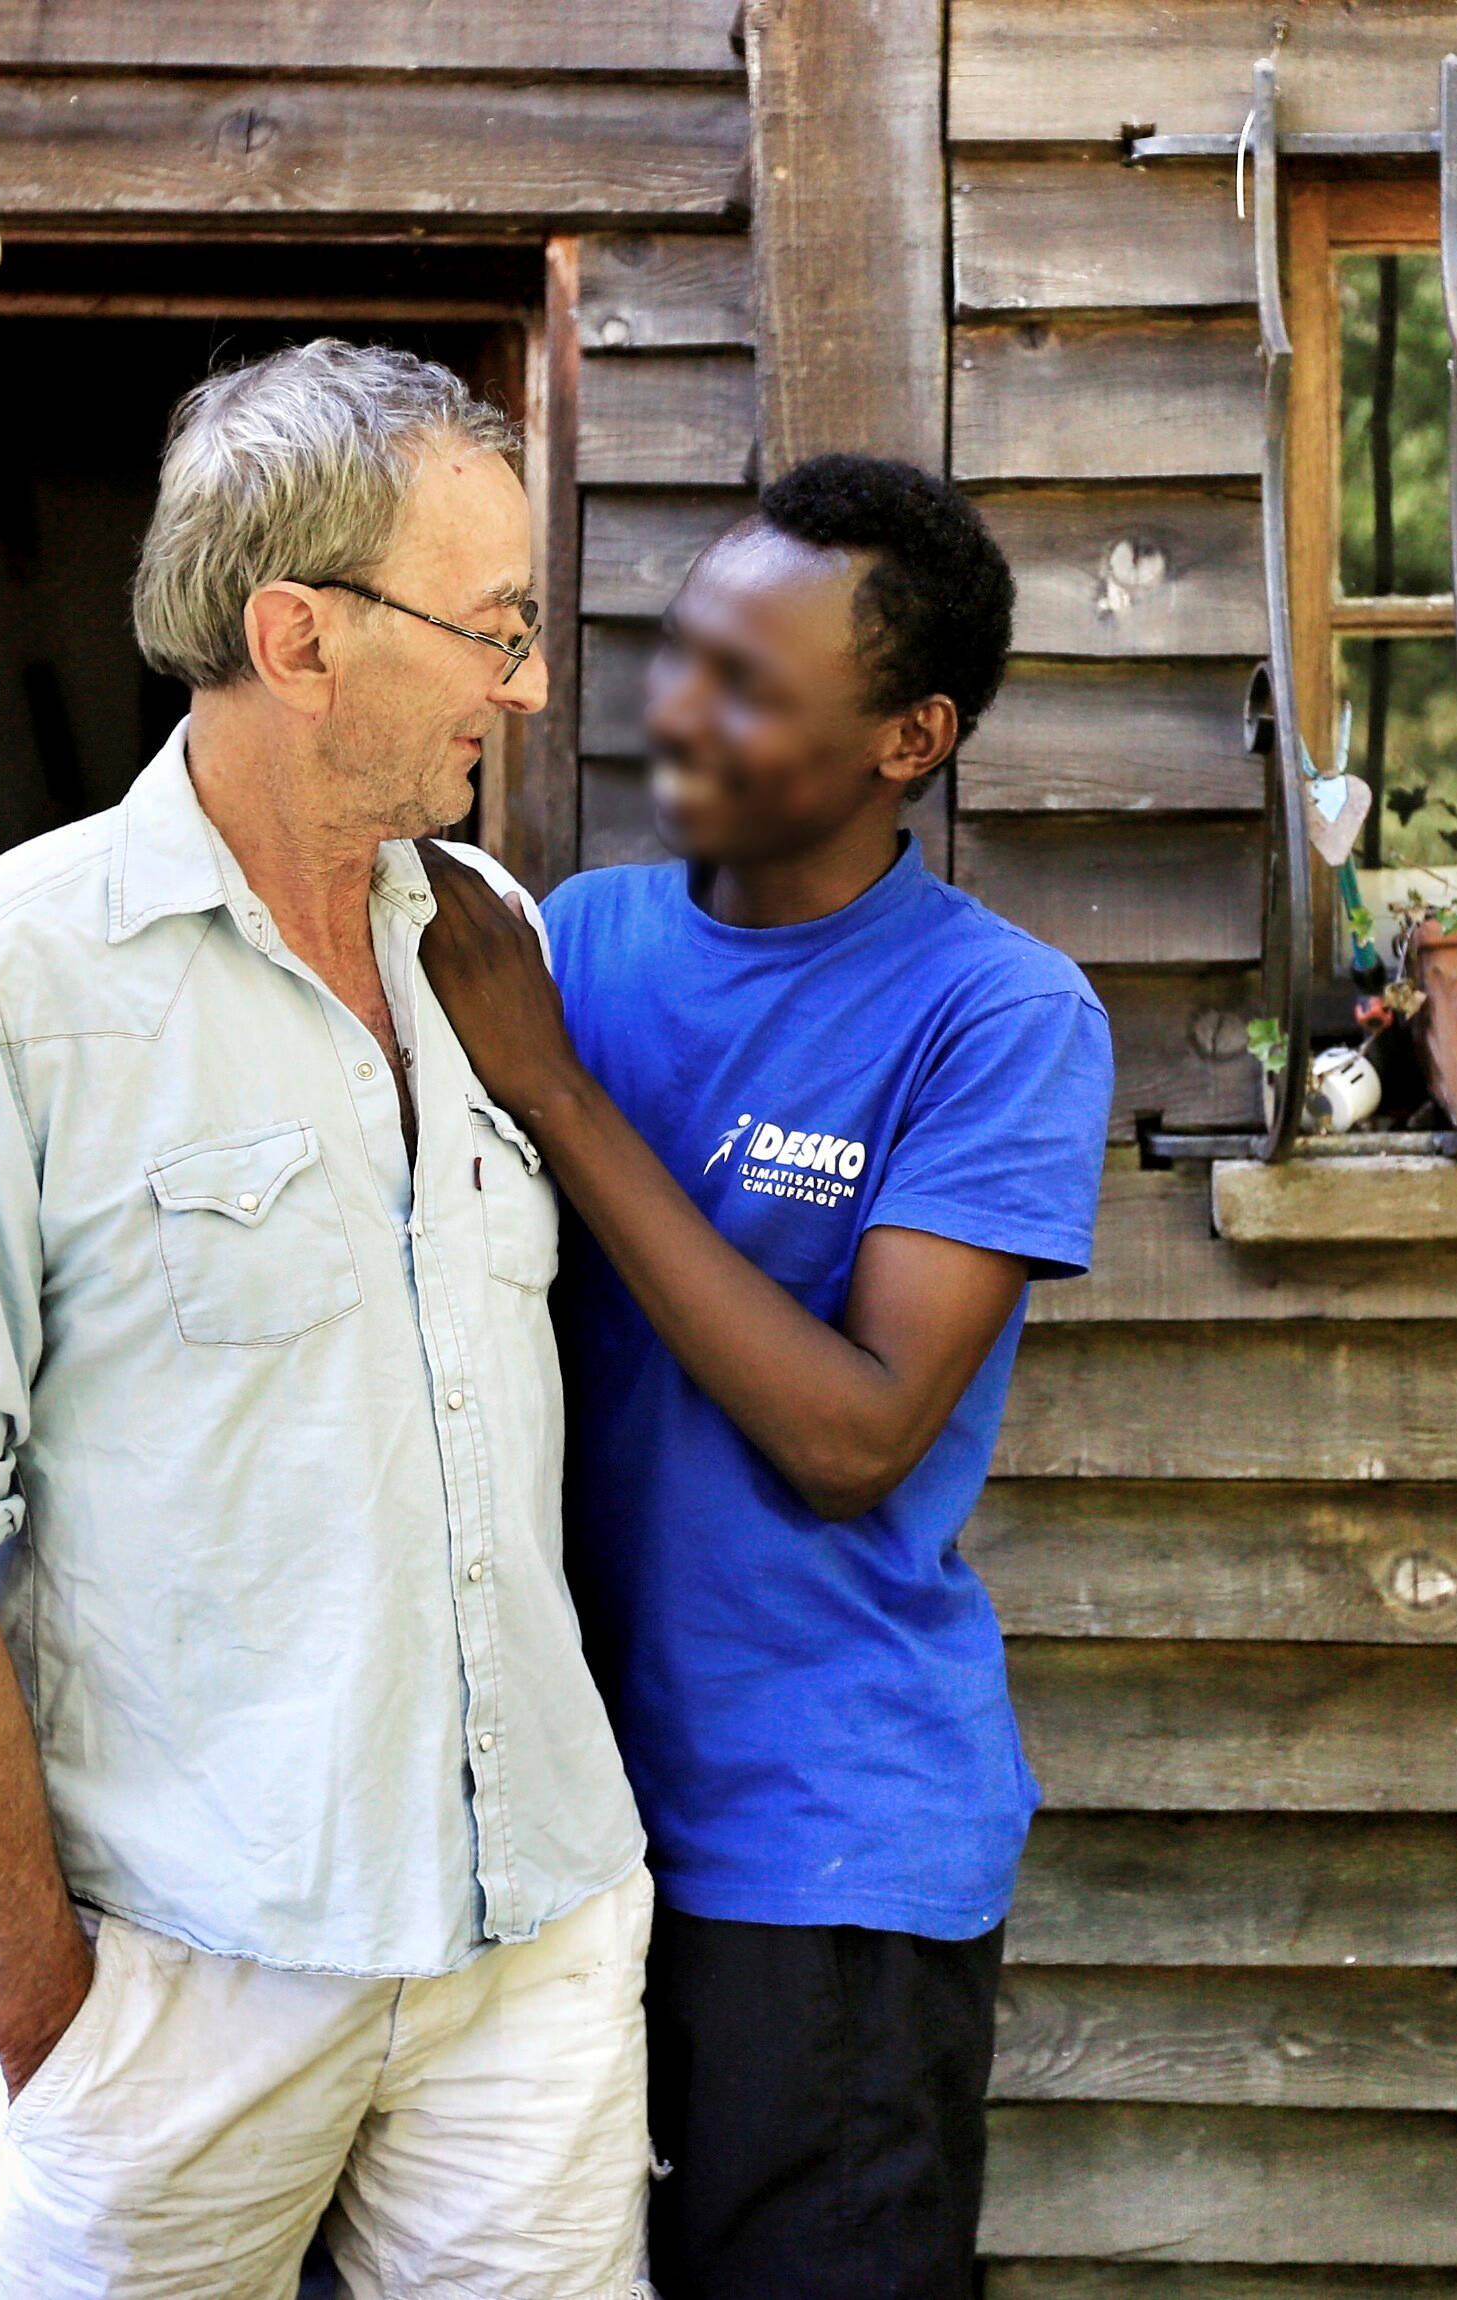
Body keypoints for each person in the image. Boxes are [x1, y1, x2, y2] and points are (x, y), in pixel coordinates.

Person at [0, 340, 654, 2299]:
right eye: (494, 628)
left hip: (533, 1954)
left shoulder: (485, 939)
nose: (524, 681)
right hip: (186, 1975)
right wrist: (56, 2018)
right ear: (302, 635)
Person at [415, 454, 1114, 2298]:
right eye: (681, 651)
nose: (677, 709)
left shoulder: (997, 1014)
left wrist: (555, 1090)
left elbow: (853, 1436)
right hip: (554, 1821)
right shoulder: (581, 939)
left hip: (819, 1840)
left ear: (910, 736)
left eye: (750, 682)